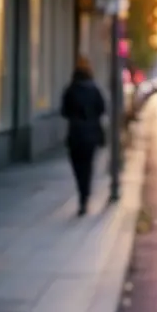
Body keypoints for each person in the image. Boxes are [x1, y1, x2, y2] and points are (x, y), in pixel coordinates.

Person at [60, 56, 106, 215]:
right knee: (88, 166)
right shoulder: (94, 89)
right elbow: (102, 109)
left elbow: (64, 111)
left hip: (75, 134)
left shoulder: (70, 89)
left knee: (77, 166)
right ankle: (85, 196)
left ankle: (82, 193)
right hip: (91, 133)